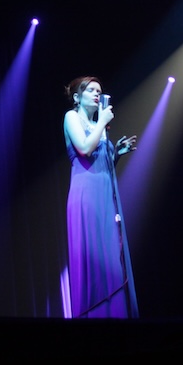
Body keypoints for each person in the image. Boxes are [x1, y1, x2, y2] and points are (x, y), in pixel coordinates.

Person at [63, 76, 139, 318]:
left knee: (112, 260)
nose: (97, 94)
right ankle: (94, 317)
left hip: (106, 195)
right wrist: (102, 122)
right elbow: (84, 149)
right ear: (77, 97)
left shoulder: (100, 127)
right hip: (86, 195)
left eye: (99, 90)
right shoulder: (72, 117)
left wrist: (116, 154)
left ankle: (116, 314)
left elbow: (100, 164)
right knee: (95, 258)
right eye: (91, 90)